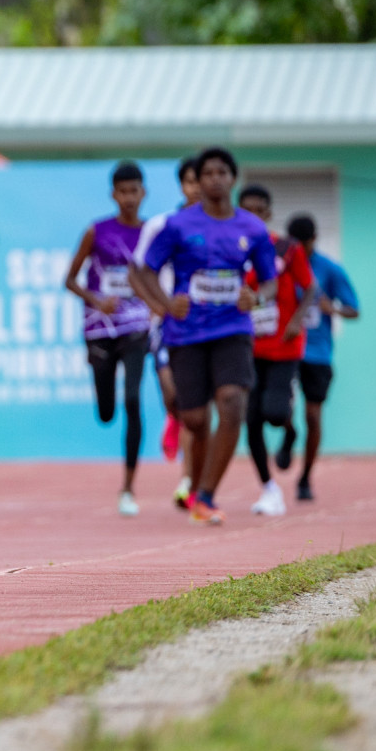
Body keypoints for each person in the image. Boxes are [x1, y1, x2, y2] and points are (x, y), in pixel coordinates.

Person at [135, 147, 276, 525]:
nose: (214, 179)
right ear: (198, 181)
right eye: (207, 173)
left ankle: (206, 495)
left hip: (233, 329)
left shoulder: (252, 228)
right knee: (195, 419)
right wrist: (165, 304)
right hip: (186, 334)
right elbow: (144, 270)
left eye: (221, 172)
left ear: (232, 178)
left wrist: (256, 296)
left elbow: (270, 282)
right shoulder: (178, 225)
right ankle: (195, 482)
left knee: (232, 403)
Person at [64, 161, 150, 516]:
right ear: (113, 194)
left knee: (133, 399)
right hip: (100, 328)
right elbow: (70, 280)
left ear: (143, 193)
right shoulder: (96, 232)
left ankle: (128, 487)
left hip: (136, 327)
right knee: (106, 411)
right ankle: (102, 390)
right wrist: (98, 300)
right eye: (122, 191)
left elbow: (156, 276)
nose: (129, 198)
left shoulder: (151, 234)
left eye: (135, 191)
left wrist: (155, 303)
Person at [235, 185, 317, 517]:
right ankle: (269, 488)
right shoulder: (230, 251)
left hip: (284, 345)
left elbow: (310, 288)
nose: (253, 216)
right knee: (251, 420)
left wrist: (297, 319)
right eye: (246, 210)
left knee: (273, 412)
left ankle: (290, 429)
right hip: (248, 346)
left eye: (259, 210)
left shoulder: (286, 249)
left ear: (268, 214)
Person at [129, 157, 201, 509]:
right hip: (169, 326)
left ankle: (189, 482)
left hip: (211, 329)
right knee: (176, 397)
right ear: (182, 185)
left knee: (198, 407)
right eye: (191, 181)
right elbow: (137, 272)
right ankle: (172, 418)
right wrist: (161, 306)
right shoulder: (163, 225)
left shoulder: (227, 228)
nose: (198, 188)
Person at [288, 213, 358, 502]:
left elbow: (354, 309)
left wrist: (334, 309)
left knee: (313, 416)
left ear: (313, 240)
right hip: (288, 349)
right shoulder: (284, 266)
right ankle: (288, 435)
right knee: (279, 408)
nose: (299, 249)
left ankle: (305, 476)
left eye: (303, 244)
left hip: (318, 353)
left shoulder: (330, 269)